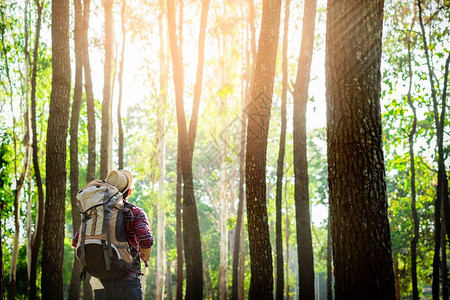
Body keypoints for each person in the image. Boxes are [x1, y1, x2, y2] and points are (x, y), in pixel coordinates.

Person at [72, 169, 154, 300]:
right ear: (129, 192)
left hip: (101, 283)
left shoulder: (94, 214)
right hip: (128, 282)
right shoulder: (135, 212)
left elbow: (75, 242)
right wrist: (146, 255)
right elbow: (146, 240)